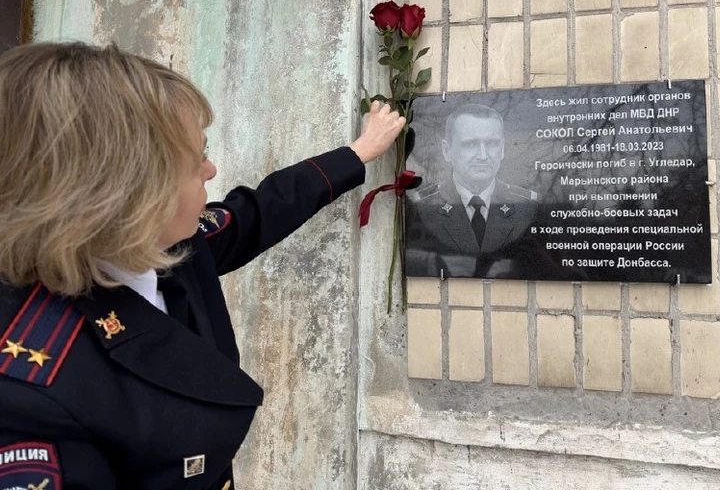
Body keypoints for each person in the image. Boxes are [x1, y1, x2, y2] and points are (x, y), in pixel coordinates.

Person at [0, 42, 404, 489]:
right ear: (124, 187)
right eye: (195, 160)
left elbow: (259, 212)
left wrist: (358, 152)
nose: (211, 170)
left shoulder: (166, 247)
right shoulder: (28, 391)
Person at [405, 103, 539, 278]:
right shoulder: (423, 204)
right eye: (470, 144)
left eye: (491, 144)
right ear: (447, 150)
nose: (483, 155)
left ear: (502, 149)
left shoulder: (526, 205)